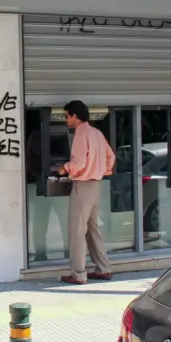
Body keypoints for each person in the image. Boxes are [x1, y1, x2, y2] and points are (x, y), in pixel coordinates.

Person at [52, 100, 116, 285]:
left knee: (77, 231)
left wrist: (65, 168)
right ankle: (103, 269)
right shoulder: (96, 133)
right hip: (96, 185)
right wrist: (102, 171)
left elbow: (78, 163)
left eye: (66, 116)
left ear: (75, 116)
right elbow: (110, 156)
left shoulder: (81, 134)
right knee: (92, 228)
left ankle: (78, 274)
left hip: (83, 186)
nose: (66, 120)